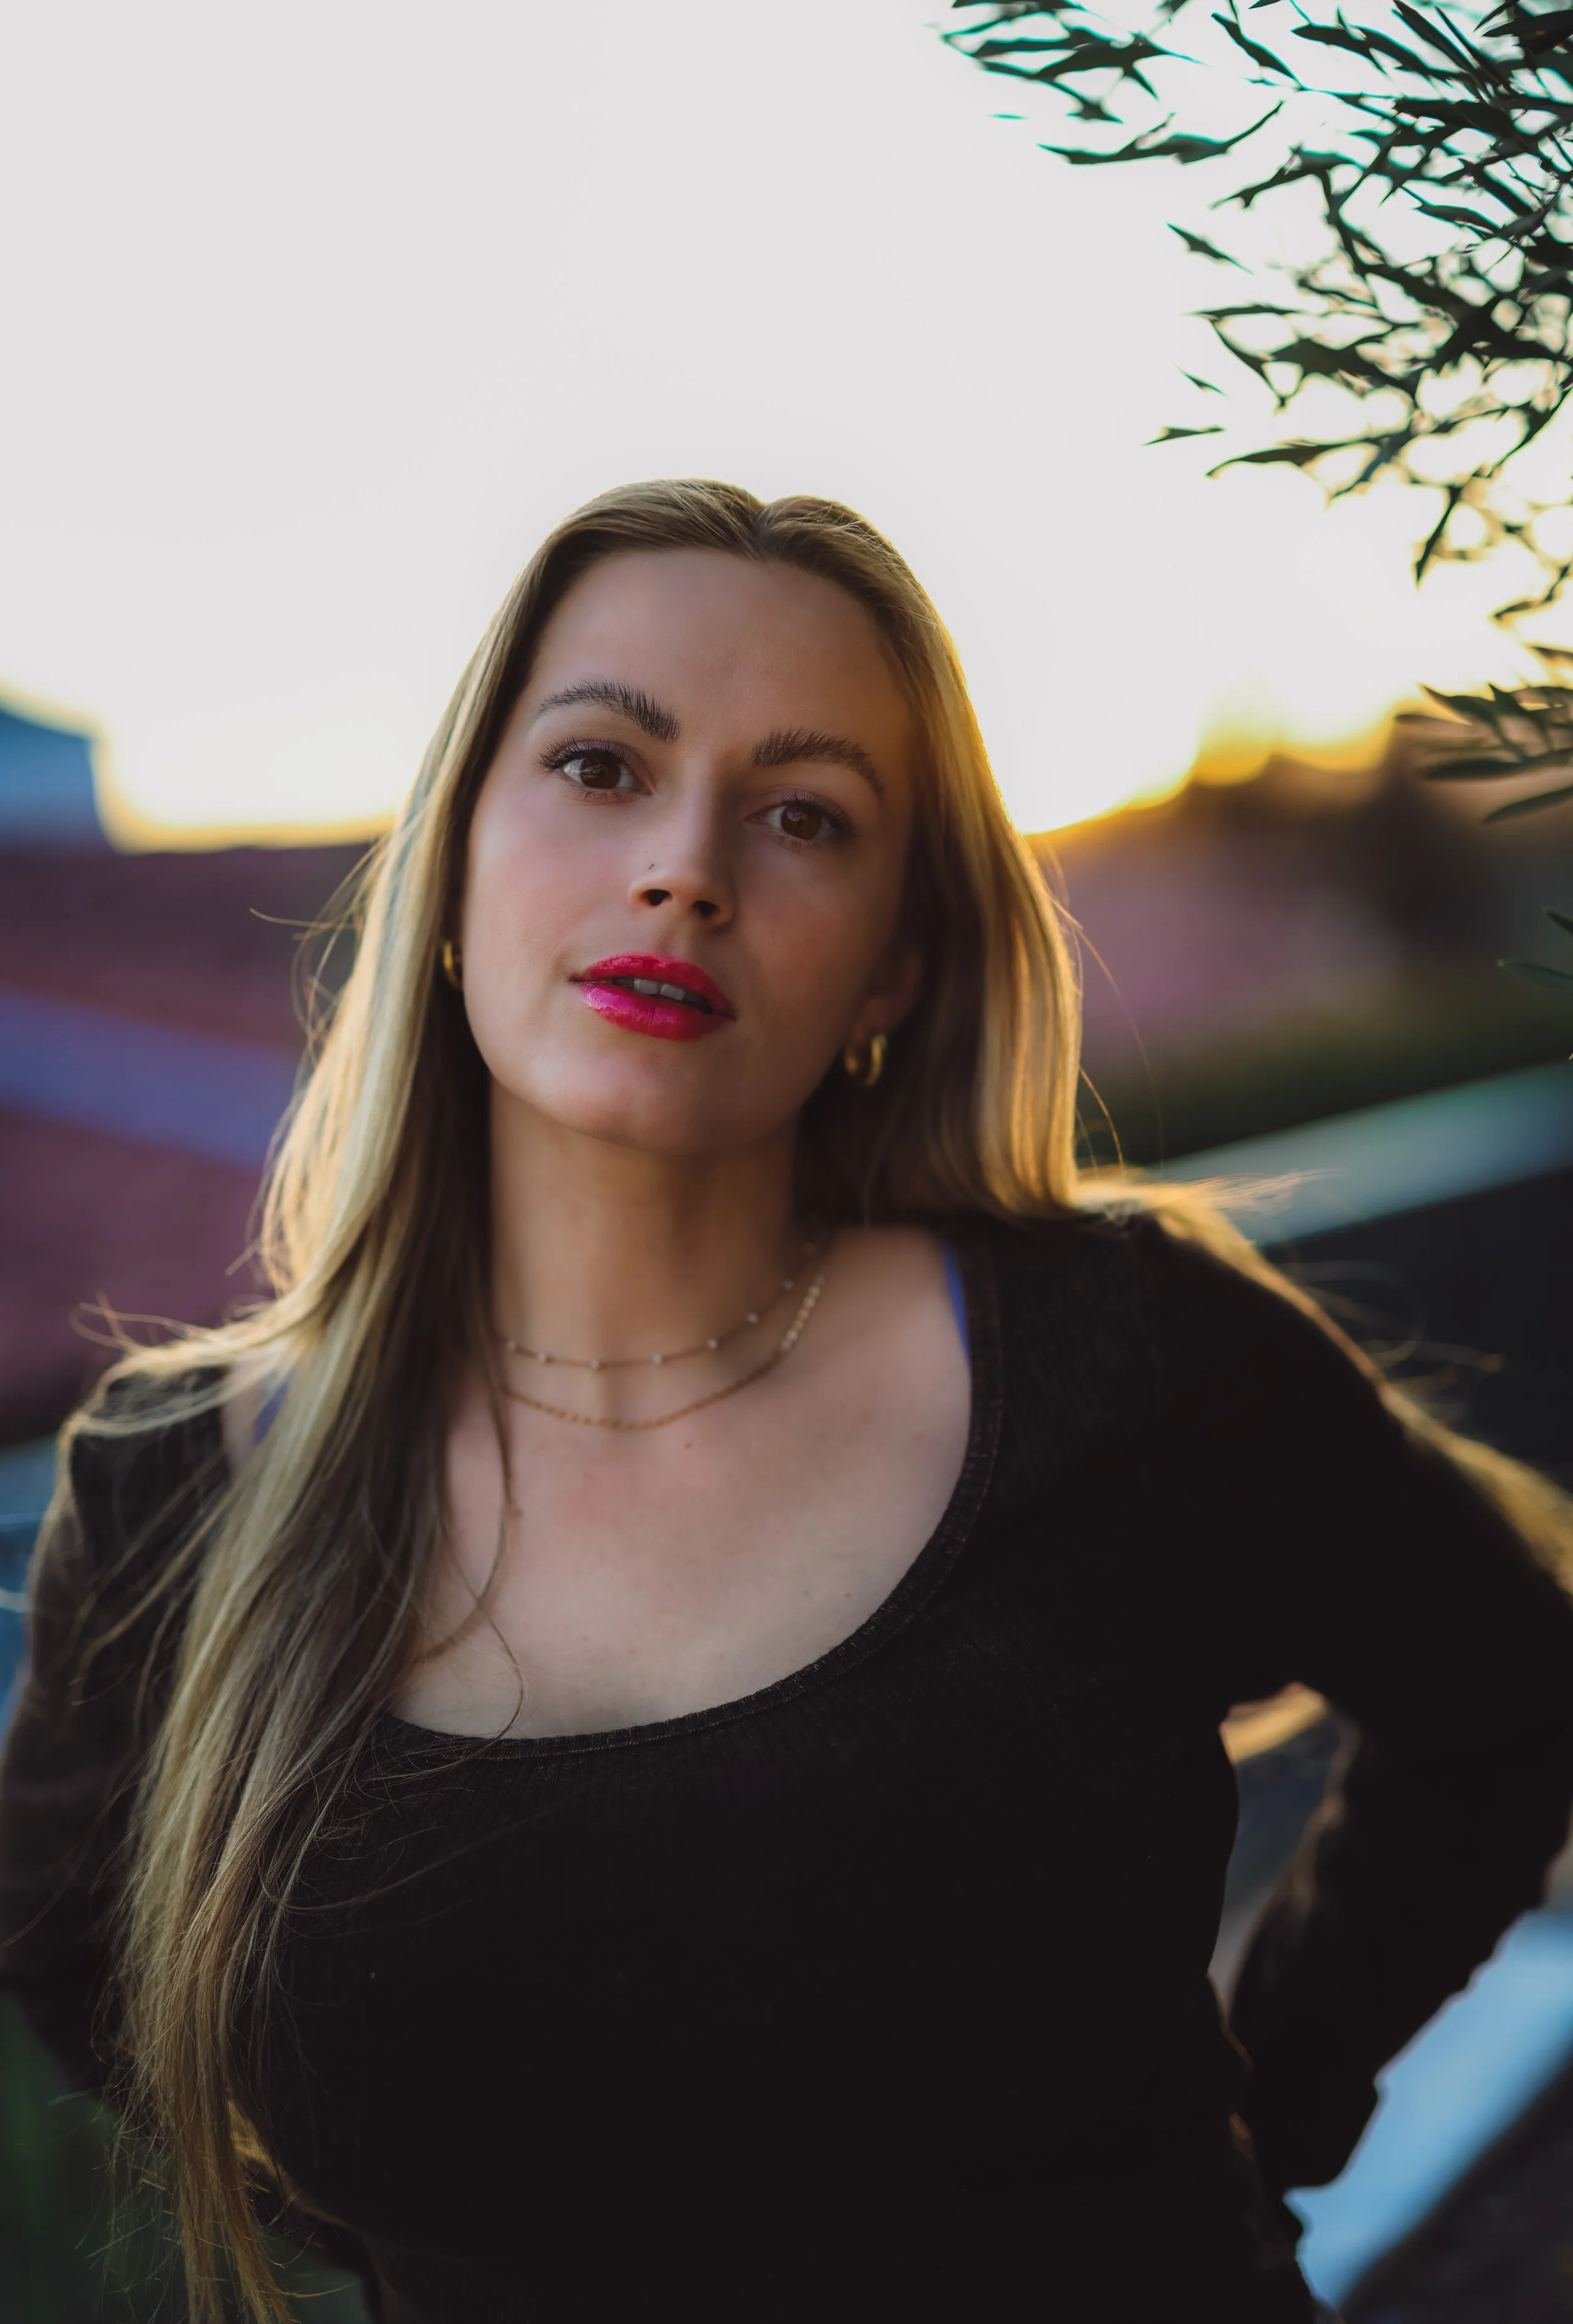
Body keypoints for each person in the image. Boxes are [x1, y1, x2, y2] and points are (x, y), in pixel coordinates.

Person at [3, 480, 1572, 2324]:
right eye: (600, 765)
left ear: (892, 967)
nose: (686, 865)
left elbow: (1505, 1690)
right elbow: (81, 1957)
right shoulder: (175, 1502)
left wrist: (1278, 2087)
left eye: (803, 813)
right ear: (453, 860)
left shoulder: (1124, 1354)